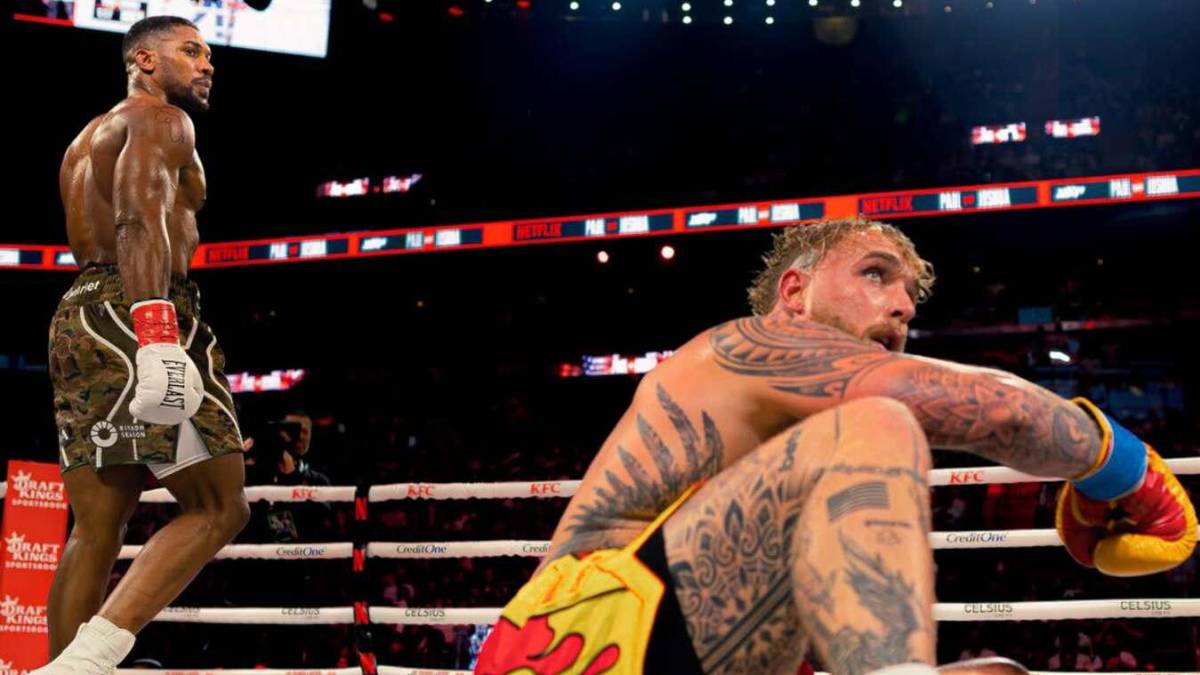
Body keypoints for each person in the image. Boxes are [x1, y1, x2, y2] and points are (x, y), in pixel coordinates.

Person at [475, 217, 1197, 675]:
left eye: (909, 293)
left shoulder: (795, 460)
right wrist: (1123, 467)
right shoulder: (746, 346)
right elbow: (994, 408)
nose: (902, 305)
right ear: (795, 292)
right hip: (584, 636)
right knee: (877, 424)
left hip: (671, 643)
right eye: (875, 274)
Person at [39, 16, 248, 674]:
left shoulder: (85, 139)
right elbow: (137, 217)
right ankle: (88, 660)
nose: (207, 63)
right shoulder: (162, 120)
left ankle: (65, 669)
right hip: (141, 307)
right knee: (219, 505)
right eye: (191, 51)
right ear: (146, 61)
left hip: (81, 316)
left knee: (98, 525)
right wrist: (157, 334)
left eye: (208, 53)